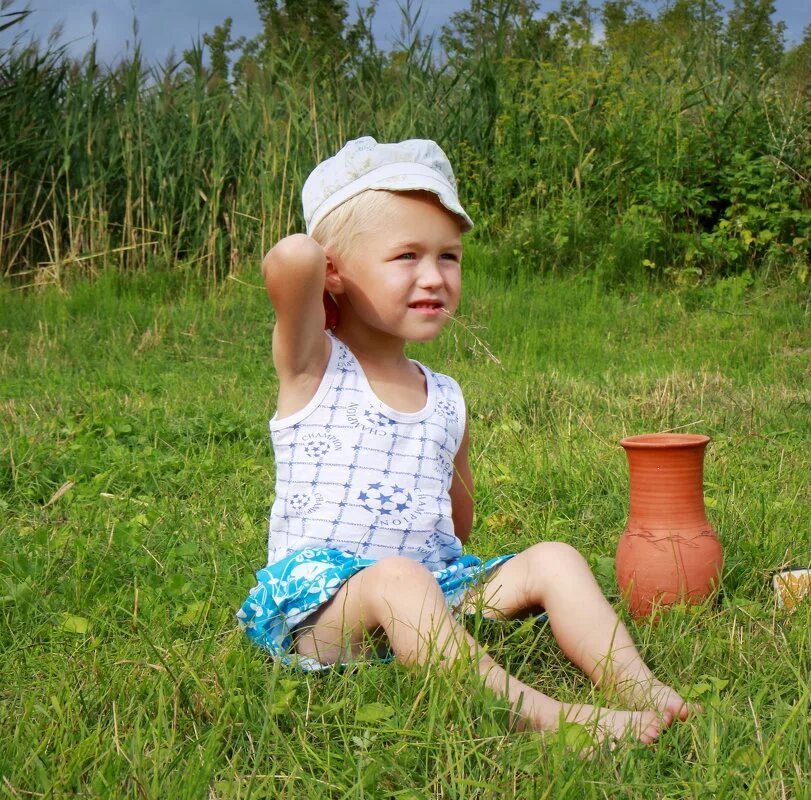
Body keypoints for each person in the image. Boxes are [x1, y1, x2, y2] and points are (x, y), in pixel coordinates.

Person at [237, 137, 689, 745]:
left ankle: (637, 684)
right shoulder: (314, 367)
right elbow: (289, 259)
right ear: (335, 272)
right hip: (324, 612)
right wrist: (320, 260)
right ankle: (546, 718)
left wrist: (447, 558)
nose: (434, 276)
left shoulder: (445, 395)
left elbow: (457, 517)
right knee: (396, 577)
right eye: (406, 256)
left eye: (448, 256)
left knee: (553, 557)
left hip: (430, 589)